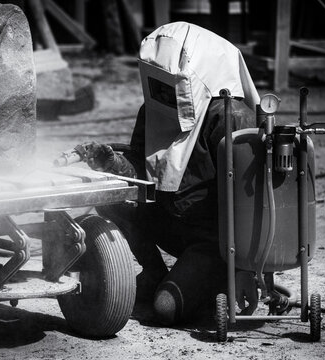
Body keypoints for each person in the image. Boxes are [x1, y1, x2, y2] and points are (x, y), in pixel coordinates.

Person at [79, 22, 260, 325]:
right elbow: (142, 172)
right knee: (111, 198)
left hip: (213, 242)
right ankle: (154, 273)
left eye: (169, 84)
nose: (161, 93)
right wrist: (113, 165)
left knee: (164, 309)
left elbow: (255, 207)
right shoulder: (152, 110)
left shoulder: (232, 117)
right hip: (170, 221)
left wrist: (246, 269)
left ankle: (210, 281)